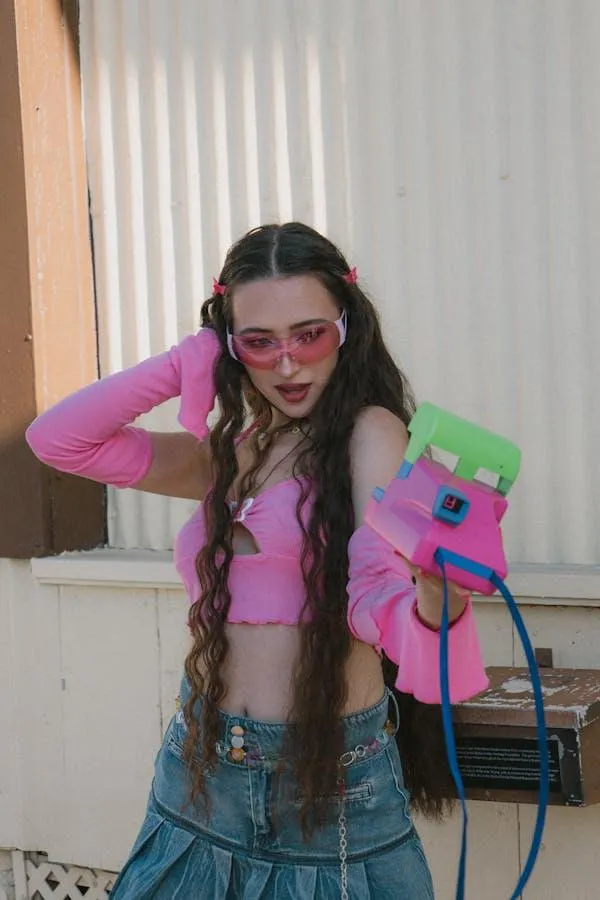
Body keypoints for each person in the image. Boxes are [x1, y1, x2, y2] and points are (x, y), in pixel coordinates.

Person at [26, 222, 488, 899]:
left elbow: (378, 594)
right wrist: (188, 359)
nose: (289, 363)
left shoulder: (372, 435)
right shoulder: (237, 446)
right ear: (231, 347)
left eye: (310, 334)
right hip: (198, 773)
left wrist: (435, 597)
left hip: (325, 792)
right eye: (260, 342)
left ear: (347, 325)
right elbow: (60, 440)